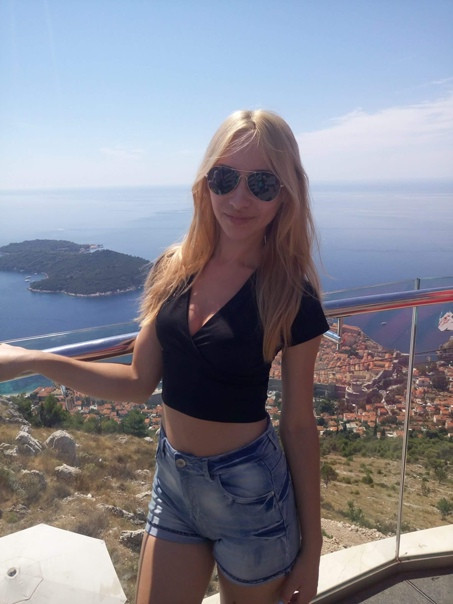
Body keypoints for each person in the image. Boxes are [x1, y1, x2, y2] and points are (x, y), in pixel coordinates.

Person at [0, 109, 329, 604]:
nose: (239, 199)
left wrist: (313, 546)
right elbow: (137, 381)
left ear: (286, 193)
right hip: (174, 481)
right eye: (225, 178)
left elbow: (299, 425)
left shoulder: (289, 292)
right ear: (205, 184)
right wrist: (34, 360)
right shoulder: (175, 268)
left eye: (262, 183)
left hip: (252, 494)